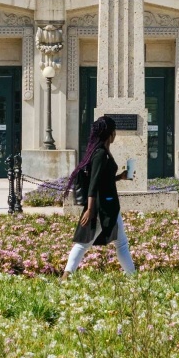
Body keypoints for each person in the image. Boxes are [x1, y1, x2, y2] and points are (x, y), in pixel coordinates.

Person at [65, 115, 137, 276]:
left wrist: (120, 177)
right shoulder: (100, 154)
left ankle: (133, 276)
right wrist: (90, 210)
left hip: (108, 204)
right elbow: (94, 183)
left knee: (119, 243)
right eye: (114, 131)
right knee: (85, 244)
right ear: (110, 133)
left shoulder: (102, 152)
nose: (116, 135)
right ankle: (65, 276)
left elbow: (104, 180)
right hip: (102, 206)